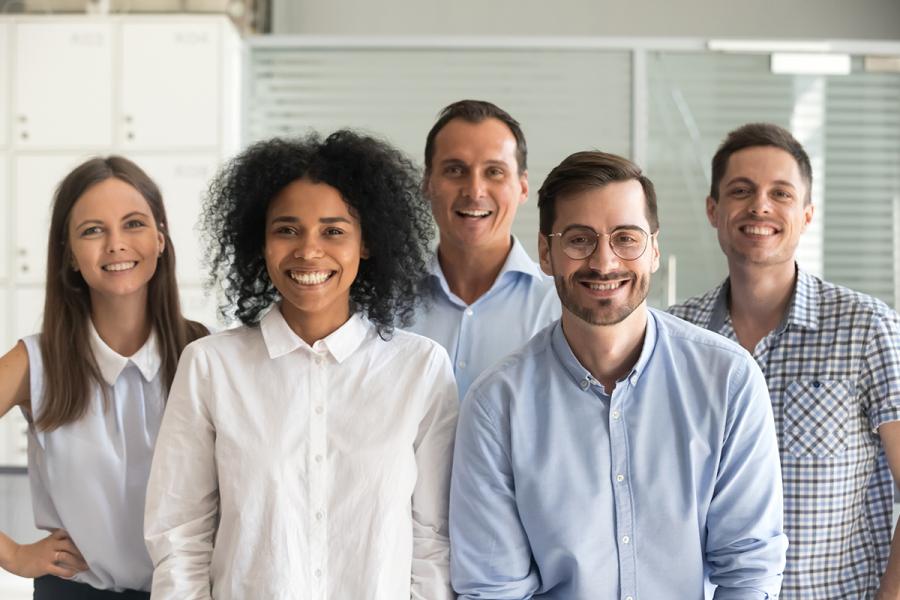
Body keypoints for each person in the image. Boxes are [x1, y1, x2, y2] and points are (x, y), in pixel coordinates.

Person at [450, 150, 787, 599]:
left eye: (626, 238)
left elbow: (749, 572)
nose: (604, 262)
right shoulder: (496, 404)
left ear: (654, 250)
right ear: (546, 254)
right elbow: (494, 589)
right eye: (579, 240)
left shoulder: (728, 380)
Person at [144, 132, 458, 600]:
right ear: (261, 241)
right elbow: (180, 536)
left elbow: (432, 542)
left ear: (366, 243)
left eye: (333, 231)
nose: (309, 251)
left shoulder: (420, 369)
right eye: (286, 229)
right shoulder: (211, 367)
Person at [669, 122, 900, 598]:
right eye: (741, 190)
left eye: (781, 193)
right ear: (713, 209)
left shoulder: (867, 329)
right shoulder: (676, 335)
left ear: (808, 213)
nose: (760, 206)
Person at [0, 156, 207, 599]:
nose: (116, 244)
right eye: (93, 230)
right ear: (70, 255)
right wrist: (13, 554)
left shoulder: (203, 353)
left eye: (133, 224)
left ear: (160, 239)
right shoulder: (35, 362)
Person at [409, 99, 559, 398]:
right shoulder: (383, 306)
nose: (474, 191)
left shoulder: (561, 309)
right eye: (455, 170)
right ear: (427, 183)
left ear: (524, 187)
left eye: (494, 172)